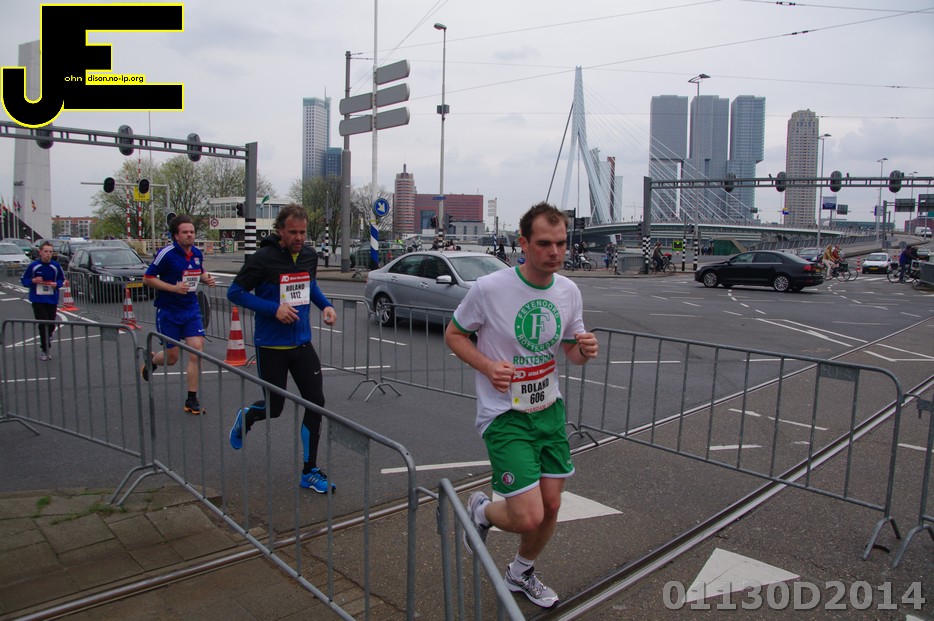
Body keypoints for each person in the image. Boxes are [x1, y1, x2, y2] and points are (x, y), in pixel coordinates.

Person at [445, 202, 599, 608]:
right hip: (504, 414)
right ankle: (482, 511)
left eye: (561, 243)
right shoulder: (489, 289)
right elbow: (454, 335)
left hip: (549, 410)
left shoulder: (568, 292)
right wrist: (487, 366)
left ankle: (520, 572)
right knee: (528, 515)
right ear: (524, 243)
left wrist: (585, 350)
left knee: (551, 505)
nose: (555, 252)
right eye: (544, 243)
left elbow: (572, 353)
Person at [227, 204, 338, 494]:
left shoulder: (309, 256)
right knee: (274, 408)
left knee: (315, 402)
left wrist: (325, 305)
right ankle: (248, 416)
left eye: (303, 232)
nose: (299, 238)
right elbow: (235, 292)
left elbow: (310, 285)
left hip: (301, 343)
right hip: (271, 345)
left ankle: (309, 471)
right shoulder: (263, 259)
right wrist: (273, 309)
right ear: (280, 231)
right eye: (293, 232)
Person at [142, 214, 217, 415]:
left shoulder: (197, 253)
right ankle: (152, 361)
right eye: (185, 232)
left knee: (196, 351)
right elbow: (148, 278)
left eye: (192, 232)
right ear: (176, 235)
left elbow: (199, 271)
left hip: (191, 309)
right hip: (169, 310)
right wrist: (173, 288)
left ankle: (191, 398)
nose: (190, 235)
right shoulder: (166, 253)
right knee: (172, 357)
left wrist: (206, 278)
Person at [21, 240, 65, 361]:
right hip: (37, 299)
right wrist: (33, 281)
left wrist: (57, 284)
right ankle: (45, 350)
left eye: (50, 252)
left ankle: (50, 334)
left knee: (51, 323)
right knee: (43, 324)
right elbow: (24, 280)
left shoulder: (56, 266)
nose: (48, 254)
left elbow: (61, 279)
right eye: (46, 251)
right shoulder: (33, 266)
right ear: (40, 252)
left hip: (51, 299)